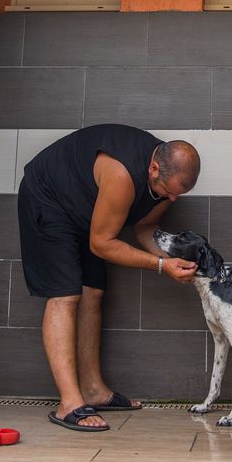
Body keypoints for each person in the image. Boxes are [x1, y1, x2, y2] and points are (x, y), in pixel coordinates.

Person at [17, 123, 201, 432]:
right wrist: (159, 266)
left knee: (93, 292)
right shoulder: (121, 174)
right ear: (154, 168)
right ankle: (69, 404)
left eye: (177, 195)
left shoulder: (166, 177)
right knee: (65, 295)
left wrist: (172, 262)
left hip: (86, 211)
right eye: (169, 191)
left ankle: (93, 390)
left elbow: (144, 228)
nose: (171, 200)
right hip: (48, 198)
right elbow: (102, 244)